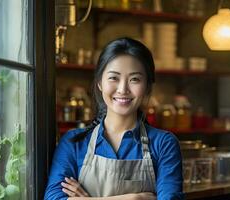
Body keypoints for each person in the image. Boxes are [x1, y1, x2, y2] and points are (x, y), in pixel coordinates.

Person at [44, 37, 184, 200]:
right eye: (113, 78)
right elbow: (53, 198)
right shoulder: (73, 142)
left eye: (135, 79)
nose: (123, 89)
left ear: (147, 87)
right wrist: (134, 199)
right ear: (100, 83)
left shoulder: (164, 144)